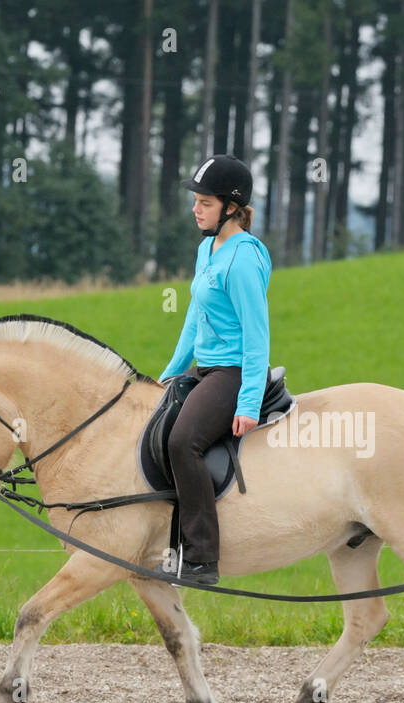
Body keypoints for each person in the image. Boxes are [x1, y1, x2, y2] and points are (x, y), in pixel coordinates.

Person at [154, 154, 272, 586]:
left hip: (233, 373)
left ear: (230, 207)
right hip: (204, 369)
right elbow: (193, 318)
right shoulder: (208, 248)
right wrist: (170, 373)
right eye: (195, 201)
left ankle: (202, 558)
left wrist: (248, 402)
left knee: (184, 442)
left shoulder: (242, 259)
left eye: (204, 202)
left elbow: (257, 337)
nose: (195, 209)